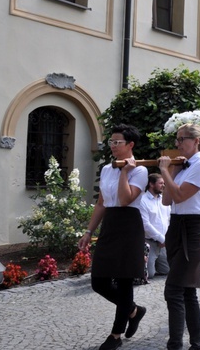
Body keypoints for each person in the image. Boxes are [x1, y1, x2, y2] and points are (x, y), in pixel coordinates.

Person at [78, 124, 149, 350]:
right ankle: (134, 311)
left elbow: (126, 198)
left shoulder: (140, 170)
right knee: (99, 281)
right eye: (111, 142)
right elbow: (101, 203)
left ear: (130, 145)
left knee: (124, 280)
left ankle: (116, 335)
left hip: (129, 225)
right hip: (110, 224)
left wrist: (126, 172)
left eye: (117, 142)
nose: (113, 146)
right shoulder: (108, 169)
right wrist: (89, 232)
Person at [158, 123, 200, 350]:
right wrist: (172, 170)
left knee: (173, 289)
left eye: (182, 139)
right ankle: (197, 344)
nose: (177, 143)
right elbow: (166, 201)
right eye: (177, 139)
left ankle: (175, 345)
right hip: (176, 226)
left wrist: (164, 171)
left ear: (196, 141)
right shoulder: (182, 166)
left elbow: (180, 195)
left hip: (193, 228)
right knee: (187, 290)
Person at [140, 173, 171, 279]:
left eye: (164, 183)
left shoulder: (164, 200)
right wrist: (161, 239)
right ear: (151, 184)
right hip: (149, 242)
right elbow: (146, 225)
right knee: (149, 274)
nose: (163, 185)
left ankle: (155, 262)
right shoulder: (143, 200)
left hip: (163, 243)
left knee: (167, 270)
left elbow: (169, 219)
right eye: (161, 183)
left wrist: (166, 239)